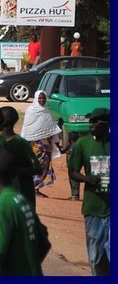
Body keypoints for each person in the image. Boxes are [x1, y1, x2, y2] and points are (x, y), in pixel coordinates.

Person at [68, 108, 110, 276]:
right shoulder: (82, 144)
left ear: (106, 124)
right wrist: (87, 179)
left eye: (95, 121)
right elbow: (72, 171)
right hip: (93, 208)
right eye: (90, 121)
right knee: (97, 257)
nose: (91, 124)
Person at [20, 90, 62, 198]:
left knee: (45, 168)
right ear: (35, 98)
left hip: (47, 145)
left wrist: (56, 142)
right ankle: (32, 188)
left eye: (43, 98)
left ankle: (35, 188)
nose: (42, 100)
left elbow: (51, 128)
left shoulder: (47, 111)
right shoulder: (31, 111)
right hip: (35, 146)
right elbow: (27, 128)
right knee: (36, 167)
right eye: (39, 98)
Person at [0, 106, 42, 209]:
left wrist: (14, 170)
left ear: (3, 121)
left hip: (22, 196)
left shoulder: (20, 143)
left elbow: (37, 168)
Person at [57, 131, 81, 201]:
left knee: (74, 181)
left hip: (74, 167)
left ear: (70, 138)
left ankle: (75, 195)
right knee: (71, 181)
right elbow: (62, 151)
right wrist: (57, 146)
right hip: (70, 167)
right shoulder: (70, 145)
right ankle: (73, 194)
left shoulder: (76, 146)